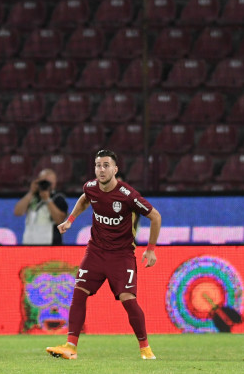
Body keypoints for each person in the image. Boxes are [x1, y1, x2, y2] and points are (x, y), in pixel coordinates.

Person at [46, 149, 161, 361]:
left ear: (115, 169)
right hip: (96, 252)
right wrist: (70, 221)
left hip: (121, 255)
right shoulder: (90, 187)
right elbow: (84, 199)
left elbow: (155, 216)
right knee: (79, 292)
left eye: (106, 165)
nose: (101, 169)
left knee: (128, 300)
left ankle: (145, 348)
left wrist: (151, 249)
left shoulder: (127, 195)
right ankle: (71, 347)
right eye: (98, 165)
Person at [13, 168, 68, 245]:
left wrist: (47, 200)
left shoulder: (58, 198)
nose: (45, 185)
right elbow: (17, 212)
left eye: (49, 182)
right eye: (43, 181)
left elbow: (60, 220)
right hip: (29, 243)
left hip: (50, 245)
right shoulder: (31, 197)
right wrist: (31, 192)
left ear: (54, 183)